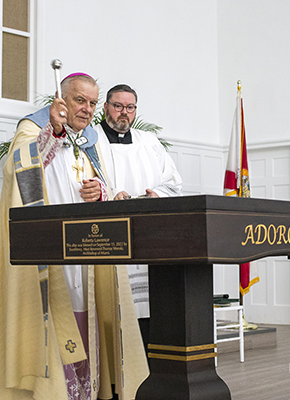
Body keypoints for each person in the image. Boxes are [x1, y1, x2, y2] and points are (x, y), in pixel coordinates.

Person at [0, 74, 148, 400]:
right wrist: (54, 132)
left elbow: (103, 186)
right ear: (61, 99)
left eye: (92, 103)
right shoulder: (33, 129)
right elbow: (18, 170)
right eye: (79, 100)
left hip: (84, 254)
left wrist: (98, 191)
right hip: (47, 255)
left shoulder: (88, 142)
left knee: (85, 314)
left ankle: (84, 391)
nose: (87, 109)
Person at [94, 84, 183, 349]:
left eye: (130, 107)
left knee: (148, 315)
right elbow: (78, 184)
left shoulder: (149, 142)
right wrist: (110, 196)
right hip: (110, 235)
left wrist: (155, 194)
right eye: (118, 106)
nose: (124, 113)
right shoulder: (90, 140)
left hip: (149, 235)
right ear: (106, 107)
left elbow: (174, 184)